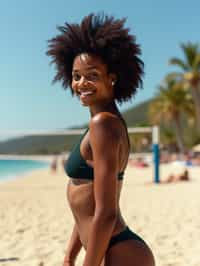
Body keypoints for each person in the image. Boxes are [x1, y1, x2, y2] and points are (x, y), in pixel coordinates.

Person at [47, 13, 155, 266]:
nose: (81, 83)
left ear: (112, 78)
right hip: (108, 249)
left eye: (92, 75)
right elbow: (85, 206)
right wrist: (69, 255)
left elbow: (105, 213)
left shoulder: (103, 125)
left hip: (119, 252)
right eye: (76, 76)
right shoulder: (105, 122)